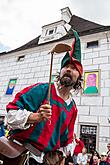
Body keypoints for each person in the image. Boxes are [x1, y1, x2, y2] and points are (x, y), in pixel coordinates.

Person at [4, 30, 83, 164]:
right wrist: (35, 117)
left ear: (79, 77)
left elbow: (66, 140)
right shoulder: (42, 89)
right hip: (21, 153)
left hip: (46, 159)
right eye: (66, 66)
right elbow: (10, 115)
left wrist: (61, 158)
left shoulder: (73, 108)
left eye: (74, 68)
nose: (69, 69)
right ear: (61, 72)